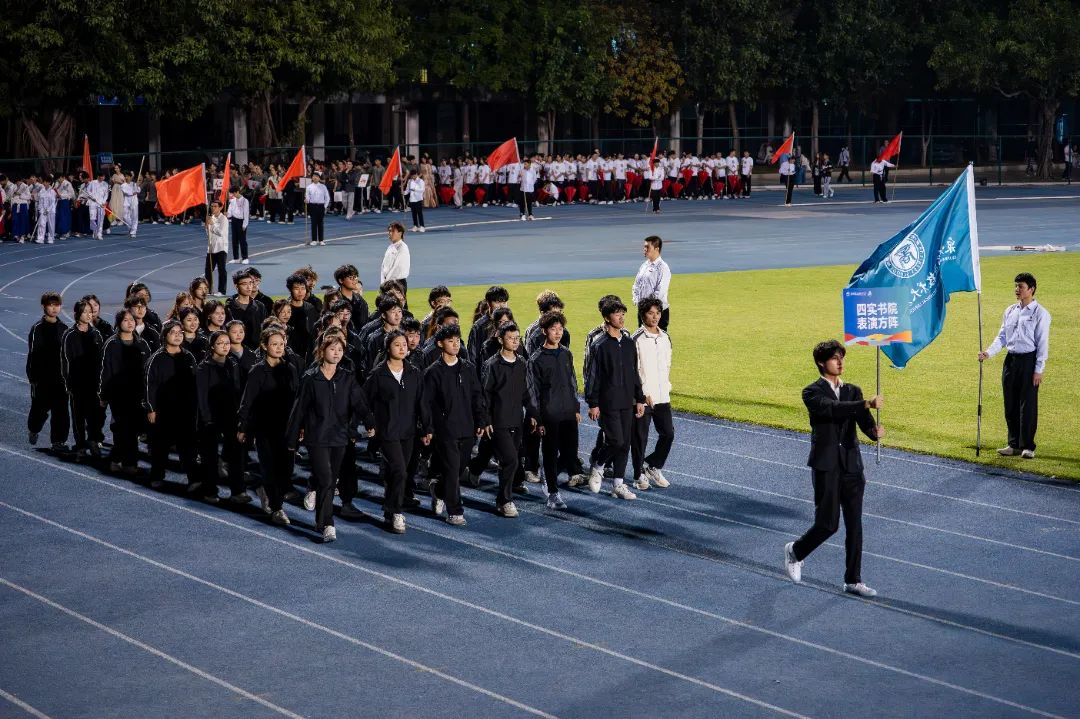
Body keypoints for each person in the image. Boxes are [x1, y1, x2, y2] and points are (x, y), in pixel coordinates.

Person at [784, 339, 882, 598]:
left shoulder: (853, 391)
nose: (840, 362)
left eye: (842, 357)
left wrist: (874, 431)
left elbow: (864, 422)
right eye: (834, 358)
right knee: (828, 524)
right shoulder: (811, 392)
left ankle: (853, 580)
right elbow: (832, 410)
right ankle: (795, 551)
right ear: (821, 362)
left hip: (852, 466)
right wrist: (866, 403)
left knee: (855, 525)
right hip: (826, 465)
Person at [286, 334, 374, 543]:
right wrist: (292, 439)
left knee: (329, 481)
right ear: (322, 350)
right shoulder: (310, 378)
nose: (336, 353)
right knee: (326, 479)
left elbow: (359, 402)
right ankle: (328, 523)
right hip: (317, 437)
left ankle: (320, 520)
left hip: (339, 437)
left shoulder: (346, 377)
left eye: (340, 350)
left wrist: (370, 421)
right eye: (332, 349)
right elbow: (299, 409)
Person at [978, 272, 1051, 459]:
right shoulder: (1010, 311)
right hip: (1010, 361)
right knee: (1010, 403)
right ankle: (1013, 444)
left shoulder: (1040, 313)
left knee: (1027, 405)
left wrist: (1038, 369)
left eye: (1021, 287)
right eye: (1016, 286)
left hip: (1029, 361)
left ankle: (1028, 446)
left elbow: (1042, 343)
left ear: (1031, 289)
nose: (1017, 290)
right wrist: (988, 352)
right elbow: (1002, 337)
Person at [421, 324, 488, 526]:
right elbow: (426, 404)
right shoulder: (433, 372)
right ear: (440, 344)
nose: (455, 344)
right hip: (445, 431)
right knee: (451, 470)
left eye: (458, 340)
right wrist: (428, 428)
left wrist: (481, 419)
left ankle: (438, 490)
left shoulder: (467, 368)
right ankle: (455, 511)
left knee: (458, 470)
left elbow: (477, 396)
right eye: (451, 341)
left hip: (467, 428)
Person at [363, 330, 427, 534]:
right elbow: (363, 401)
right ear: (388, 347)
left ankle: (389, 511)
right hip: (387, 432)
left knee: (396, 472)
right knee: (399, 470)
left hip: (408, 432)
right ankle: (396, 511)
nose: (402, 348)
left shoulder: (414, 373)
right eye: (397, 344)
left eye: (404, 345)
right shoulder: (378, 374)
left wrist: (427, 428)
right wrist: (369, 423)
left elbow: (422, 402)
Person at [584, 298, 645, 500]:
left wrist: (639, 398)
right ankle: (598, 465)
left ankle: (618, 485)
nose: (621, 317)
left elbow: (634, 373)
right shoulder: (599, 345)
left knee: (625, 443)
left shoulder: (628, 343)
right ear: (607, 317)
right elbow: (593, 376)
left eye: (623, 314)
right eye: (617, 314)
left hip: (627, 401)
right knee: (616, 441)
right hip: (607, 402)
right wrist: (593, 403)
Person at [238, 326, 299, 525]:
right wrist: (243, 427)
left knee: (286, 470)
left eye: (281, 344)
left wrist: (300, 425)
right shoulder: (257, 371)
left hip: (286, 428)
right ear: (264, 346)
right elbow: (247, 401)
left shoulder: (290, 369)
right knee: (269, 468)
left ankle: (265, 490)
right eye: (274, 344)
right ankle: (277, 508)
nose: (279, 347)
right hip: (264, 428)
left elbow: (297, 400)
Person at [472, 322, 534, 517]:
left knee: (505, 460)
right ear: (500, 340)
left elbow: (527, 392)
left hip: (516, 420)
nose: (515, 342)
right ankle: (504, 501)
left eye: (517, 338)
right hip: (498, 423)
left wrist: (533, 413)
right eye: (510, 338)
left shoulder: (522, 363)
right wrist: (485, 420)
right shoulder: (492, 365)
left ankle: (473, 470)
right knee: (510, 460)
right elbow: (485, 395)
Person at [527, 310, 583, 509]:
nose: (558, 333)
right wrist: (538, 419)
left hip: (568, 411)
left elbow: (572, 382)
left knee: (570, 454)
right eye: (553, 329)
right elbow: (533, 391)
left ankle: (548, 474)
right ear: (544, 331)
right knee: (550, 453)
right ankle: (552, 493)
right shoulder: (536, 359)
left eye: (561, 329)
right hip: (549, 414)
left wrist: (576, 407)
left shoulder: (566, 353)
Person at [144, 320, 200, 491]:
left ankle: (194, 479)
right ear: (164, 335)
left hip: (185, 410)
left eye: (180, 333)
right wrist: (151, 408)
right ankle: (157, 476)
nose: (177, 336)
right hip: (164, 411)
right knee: (160, 446)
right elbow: (149, 385)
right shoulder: (156, 359)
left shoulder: (188, 357)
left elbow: (195, 384)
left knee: (188, 446)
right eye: (173, 332)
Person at [196, 330, 249, 505]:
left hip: (231, 416)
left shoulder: (233, 364)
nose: (225, 346)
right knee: (209, 456)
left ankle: (238, 491)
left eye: (227, 343)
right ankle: (210, 490)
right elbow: (202, 396)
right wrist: (206, 418)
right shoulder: (204, 367)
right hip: (211, 418)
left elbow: (238, 390)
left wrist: (240, 415)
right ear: (212, 346)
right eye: (220, 343)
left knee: (236, 454)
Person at [99, 308, 152, 475]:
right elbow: (105, 371)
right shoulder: (111, 344)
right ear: (119, 323)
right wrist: (103, 395)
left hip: (137, 395)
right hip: (118, 395)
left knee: (133, 429)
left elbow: (148, 371)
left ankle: (120, 460)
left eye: (132, 320)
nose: (130, 323)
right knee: (123, 428)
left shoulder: (142, 344)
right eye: (125, 320)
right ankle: (126, 462)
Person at [630, 298, 674, 491]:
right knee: (640, 438)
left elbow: (667, 364)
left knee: (668, 434)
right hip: (643, 398)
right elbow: (634, 369)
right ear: (642, 315)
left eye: (658, 313)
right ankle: (638, 474)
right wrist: (643, 393)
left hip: (662, 395)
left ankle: (653, 466)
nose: (655, 317)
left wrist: (667, 386)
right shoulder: (636, 339)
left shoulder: (665, 337)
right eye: (651, 313)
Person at [62, 298, 106, 461]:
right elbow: (65, 360)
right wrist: (68, 383)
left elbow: (102, 360)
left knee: (95, 415)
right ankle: (80, 446)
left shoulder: (96, 334)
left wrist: (102, 382)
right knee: (78, 416)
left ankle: (93, 441)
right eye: (85, 312)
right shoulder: (69, 335)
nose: (88, 315)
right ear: (77, 314)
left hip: (94, 383)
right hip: (77, 383)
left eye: (90, 312)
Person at [27, 292, 70, 451]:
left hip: (60, 378)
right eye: (51, 305)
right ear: (44, 306)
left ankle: (58, 442)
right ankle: (34, 428)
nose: (54, 308)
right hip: (42, 377)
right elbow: (33, 353)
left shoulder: (64, 328)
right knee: (39, 409)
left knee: (61, 410)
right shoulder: (37, 328)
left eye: (57, 305)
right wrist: (33, 377)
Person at [631, 235, 671, 330]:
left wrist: (648, 307)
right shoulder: (644, 265)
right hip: (643, 311)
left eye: (647, 247)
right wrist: (637, 300)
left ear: (657, 249)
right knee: (642, 337)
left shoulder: (663, 268)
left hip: (657, 313)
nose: (644, 249)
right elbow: (636, 285)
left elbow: (660, 292)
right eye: (644, 247)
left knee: (658, 338)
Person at [226, 269, 267, 350]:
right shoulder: (229, 307)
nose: (249, 287)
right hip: (235, 349)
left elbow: (264, 329)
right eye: (244, 284)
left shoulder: (260, 306)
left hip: (256, 349)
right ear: (236, 286)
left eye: (250, 283)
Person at [204, 201, 229, 297]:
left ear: (220, 207)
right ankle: (209, 290)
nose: (213, 208)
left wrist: (212, 224)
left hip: (221, 248)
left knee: (221, 270)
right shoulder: (211, 218)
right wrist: (207, 227)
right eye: (212, 206)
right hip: (211, 248)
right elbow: (209, 234)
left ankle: (222, 291)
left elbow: (221, 233)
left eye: (215, 206)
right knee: (208, 270)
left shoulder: (224, 219)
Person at [304, 172, 330, 246]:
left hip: (321, 206)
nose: (315, 178)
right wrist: (306, 200)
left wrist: (325, 206)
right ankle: (314, 240)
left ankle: (321, 240)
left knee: (320, 223)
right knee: (313, 223)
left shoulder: (323, 187)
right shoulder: (309, 187)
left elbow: (327, 197)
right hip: (313, 206)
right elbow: (308, 197)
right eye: (314, 176)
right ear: (312, 178)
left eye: (316, 176)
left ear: (319, 178)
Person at [226, 187, 250, 264]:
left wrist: (245, 224)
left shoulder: (245, 201)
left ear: (237, 192)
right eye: (231, 193)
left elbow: (246, 213)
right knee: (234, 240)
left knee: (242, 240)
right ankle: (236, 258)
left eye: (233, 193)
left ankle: (245, 258)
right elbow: (230, 212)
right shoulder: (232, 201)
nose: (232, 195)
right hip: (234, 221)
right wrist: (227, 214)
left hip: (241, 221)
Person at [121, 172, 139, 237]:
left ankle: (133, 232)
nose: (126, 178)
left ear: (131, 177)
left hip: (134, 201)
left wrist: (137, 186)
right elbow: (127, 193)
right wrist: (134, 192)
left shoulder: (134, 184)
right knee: (125, 216)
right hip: (126, 201)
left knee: (134, 217)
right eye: (125, 176)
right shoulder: (123, 185)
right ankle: (131, 228)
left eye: (128, 176)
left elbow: (138, 190)